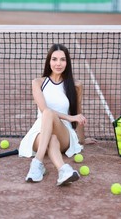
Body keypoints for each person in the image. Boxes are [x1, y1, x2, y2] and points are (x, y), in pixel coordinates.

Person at [19, 44, 87, 186]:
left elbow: (78, 114)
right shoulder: (38, 83)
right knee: (52, 137)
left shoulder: (75, 85)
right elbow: (44, 110)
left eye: (62, 60)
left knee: (52, 122)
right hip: (40, 132)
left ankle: (36, 163)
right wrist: (70, 117)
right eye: (54, 59)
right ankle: (63, 170)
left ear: (67, 62)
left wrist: (81, 139)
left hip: (65, 134)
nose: (58, 63)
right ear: (49, 61)